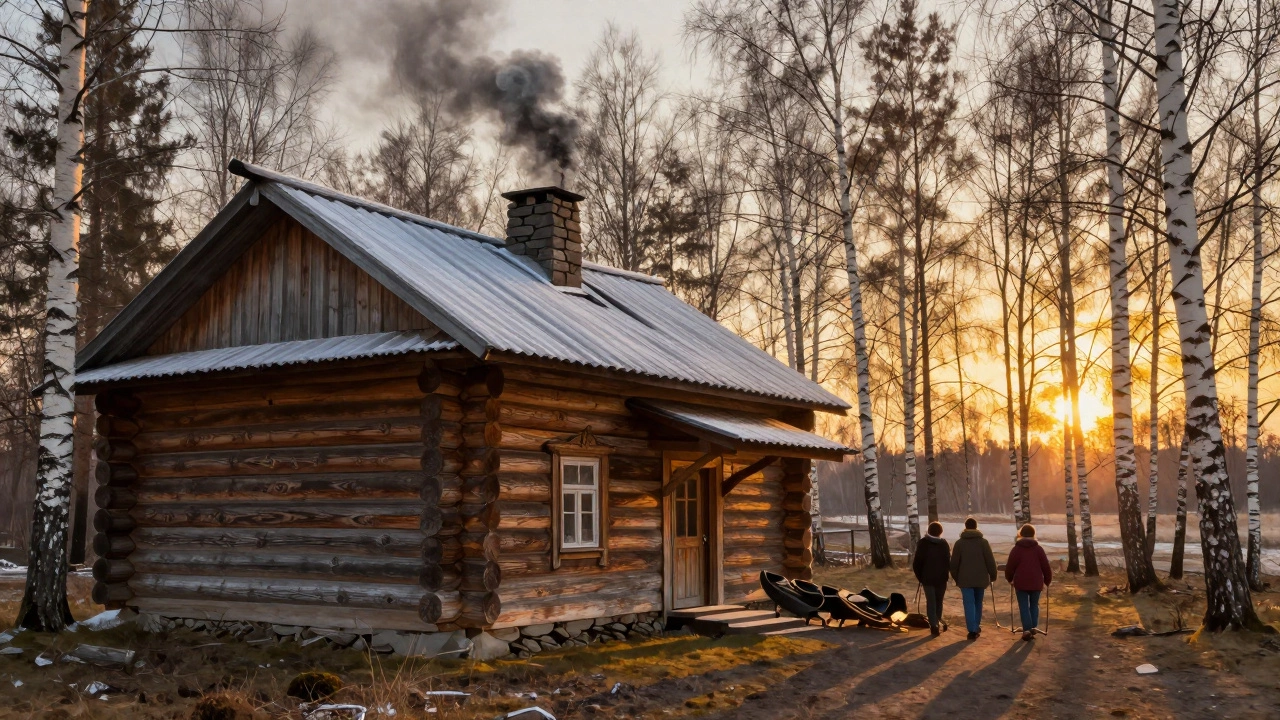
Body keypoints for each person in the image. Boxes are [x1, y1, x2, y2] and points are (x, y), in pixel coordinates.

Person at [950, 517, 997, 640]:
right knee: (978, 603)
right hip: (981, 579)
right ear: (976, 527)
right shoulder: (983, 542)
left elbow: (954, 564)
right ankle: (976, 626)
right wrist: (993, 575)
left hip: (965, 580)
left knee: (968, 603)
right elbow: (990, 561)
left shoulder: (959, 543)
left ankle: (972, 629)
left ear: (965, 527)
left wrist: (956, 578)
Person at [1005, 523, 1053, 641]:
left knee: (1023, 606)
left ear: (1020, 534)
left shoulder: (1016, 549)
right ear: (1033, 535)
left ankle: (1027, 630)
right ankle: (1032, 627)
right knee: (1034, 604)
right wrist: (1047, 580)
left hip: (1021, 582)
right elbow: (1045, 567)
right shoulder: (1038, 549)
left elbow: (1010, 567)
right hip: (1036, 582)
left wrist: (1010, 578)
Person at [912, 521, 951, 637]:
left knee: (931, 602)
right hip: (941, 579)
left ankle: (933, 625)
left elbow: (917, 563)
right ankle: (937, 620)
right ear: (941, 532)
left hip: (927, 578)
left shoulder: (923, 543)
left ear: (928, 531)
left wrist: (921, 577)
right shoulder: (944, 544)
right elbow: (948, 562)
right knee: (939, 601)